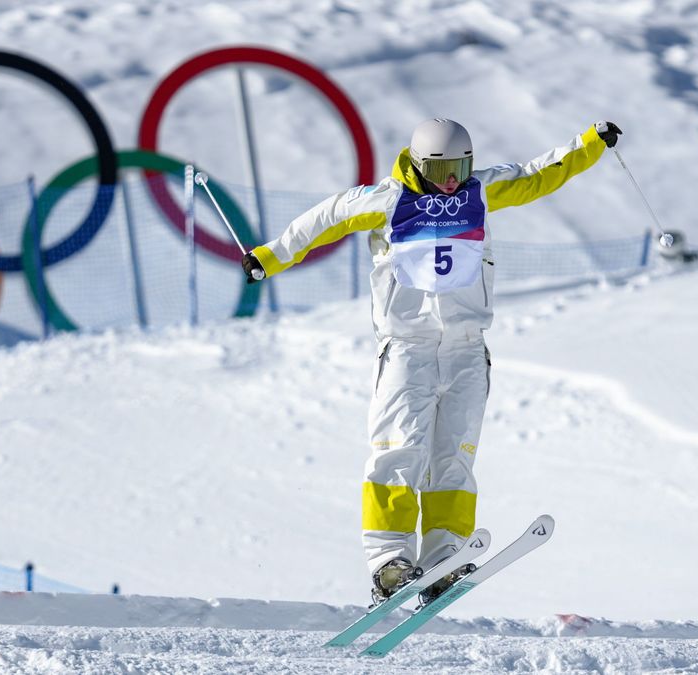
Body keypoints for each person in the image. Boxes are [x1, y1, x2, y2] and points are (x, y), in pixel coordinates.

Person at [241, 119, 622, 605]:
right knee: (398, 451)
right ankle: (388, 564)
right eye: (442, 169)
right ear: (420, 164)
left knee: (454, 458)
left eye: (460, 167)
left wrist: (591, 142)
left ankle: (445, 556)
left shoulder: (480, 191)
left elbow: (538, 174)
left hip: (467, 349)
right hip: (407, 349)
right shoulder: (385, 201)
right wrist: (270, 256)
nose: (451, 180)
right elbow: (325, 218)